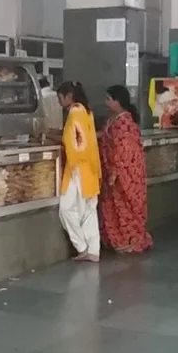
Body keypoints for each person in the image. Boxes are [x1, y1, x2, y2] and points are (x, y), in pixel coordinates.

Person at [98, 85, 152, 254]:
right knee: (113, 206)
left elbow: (124, 151)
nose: (105, 102)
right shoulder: (113, 119)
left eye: (108, 99)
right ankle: (118, 239)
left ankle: (130, 240)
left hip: (126, 174)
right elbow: (105, 136)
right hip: (113, 171)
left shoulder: (124, 123)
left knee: (127, 205)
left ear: (118, 101)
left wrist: (115, 173)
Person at [57, 81, 101, 262]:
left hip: (78, 167)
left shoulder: (74, 112)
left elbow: (73, 140)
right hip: (90, 167)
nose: (59, 102)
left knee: (66, 209)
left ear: (68, 96)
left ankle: (82, 247)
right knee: (89, 211)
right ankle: (93, 250)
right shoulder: (86, 110)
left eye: (60, 98)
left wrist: (48, 137)